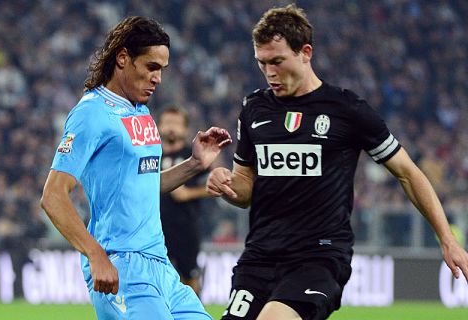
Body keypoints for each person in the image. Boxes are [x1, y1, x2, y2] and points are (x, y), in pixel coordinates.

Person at [206, 4, 468, 320]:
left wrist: (447, 239)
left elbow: (408, 173)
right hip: (259, 258)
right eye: (262, 63)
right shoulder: (253, 108)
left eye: (277, 61)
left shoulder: (347, 109)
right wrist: (226, 183)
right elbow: (245, 188)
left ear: (305, 52)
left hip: (318, 258)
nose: (269, 72)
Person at [40, 16, 231, 319]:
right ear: (123, 58)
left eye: (162, 70)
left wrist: (195, 165)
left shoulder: (140, 113)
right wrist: (96, 255)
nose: (158, 78)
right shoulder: (91, 112)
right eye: (151, 67)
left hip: (161, 265)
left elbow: (145, 183)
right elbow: (53, 196)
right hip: (122, 266)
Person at [158, 105, 210, 296]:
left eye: (176, 124)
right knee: (157, 279)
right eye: (168, 123)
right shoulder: (151, 155)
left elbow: (212, 186)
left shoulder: (194, 156)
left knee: (189, 278)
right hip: (155, 228)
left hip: (185, 228)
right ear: (159, 126)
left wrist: (189, 193)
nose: (172, 128)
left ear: (185, 129)